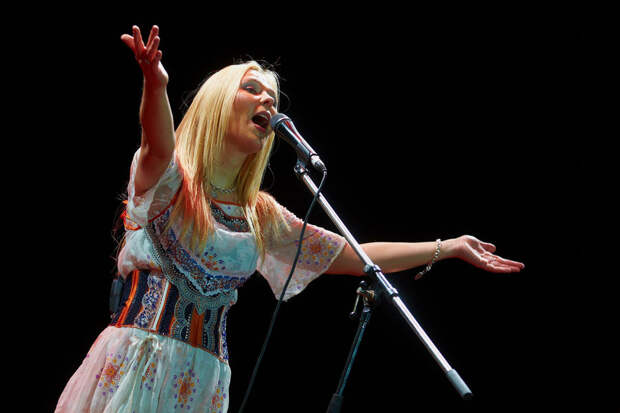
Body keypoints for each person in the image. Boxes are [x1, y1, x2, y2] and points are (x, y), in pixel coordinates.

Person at [55, 25, 525, 413]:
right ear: (217, 102)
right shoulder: (171, 180)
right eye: (252, 90)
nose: (267, 102)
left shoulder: (259, 215)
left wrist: (448, 247)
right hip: (138, 360)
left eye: (273, 98)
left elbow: (354, 256)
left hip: (203, 382)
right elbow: (156, 142)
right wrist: (155, 84)